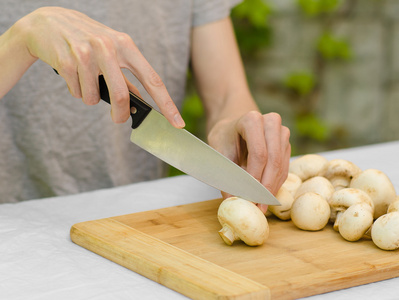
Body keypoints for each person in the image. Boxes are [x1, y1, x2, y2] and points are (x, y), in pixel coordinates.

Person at [0, 1, 291, 211]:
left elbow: (227, 94)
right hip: (15, 225)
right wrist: (19, 40)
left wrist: (234, 124)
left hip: (137, 219)